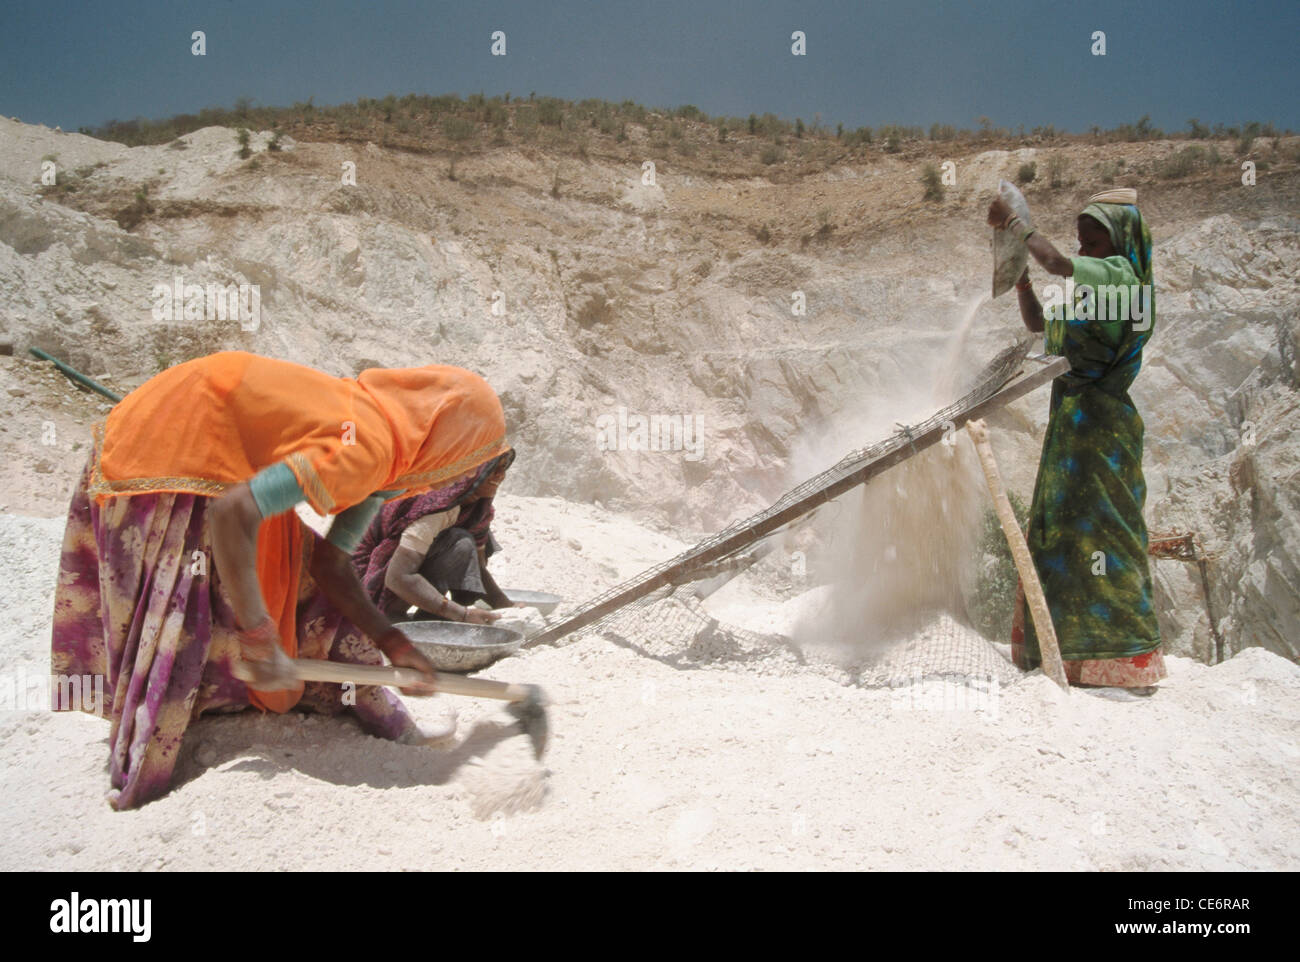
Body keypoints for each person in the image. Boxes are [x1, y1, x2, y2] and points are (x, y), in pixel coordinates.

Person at [50, 351, 511, 808]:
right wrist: (258, 635)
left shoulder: (387, 456)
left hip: (233, 473)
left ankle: (379, 711)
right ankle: (143, 769)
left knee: (296, 579)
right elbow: (232, 513)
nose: (465, 473)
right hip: (175, 438)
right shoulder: (366, 447)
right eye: (471, 457)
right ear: (448, 436)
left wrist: (393, 643)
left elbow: (330, 565)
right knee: (186, 599)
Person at [987, 187, 1164, 691]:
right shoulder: (1094, 301)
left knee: (1107, 534)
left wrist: (1014, 224)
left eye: (1093, 242)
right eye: (1082, 242)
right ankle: (1066, 657)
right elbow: (1041, 325)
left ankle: (1120, 657)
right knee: (1062, 533)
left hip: (1103, 433)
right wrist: (1020, 280)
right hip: (1072, 431)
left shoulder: (1123, 278)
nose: (1084, 251)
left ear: (1122, 244)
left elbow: (1058, 263)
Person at [352, 449, 516, 622]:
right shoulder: (435, 506)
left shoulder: (479, 509)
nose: (500, 475)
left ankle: (432, 616)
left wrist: (503, 604)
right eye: (493, 468)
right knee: (460, 543)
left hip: (399, 571)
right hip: (360, 580)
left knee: (473, 540)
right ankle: (392, 614)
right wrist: (463, 615)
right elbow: (398, 577)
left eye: (504, 467)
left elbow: (478, 568)